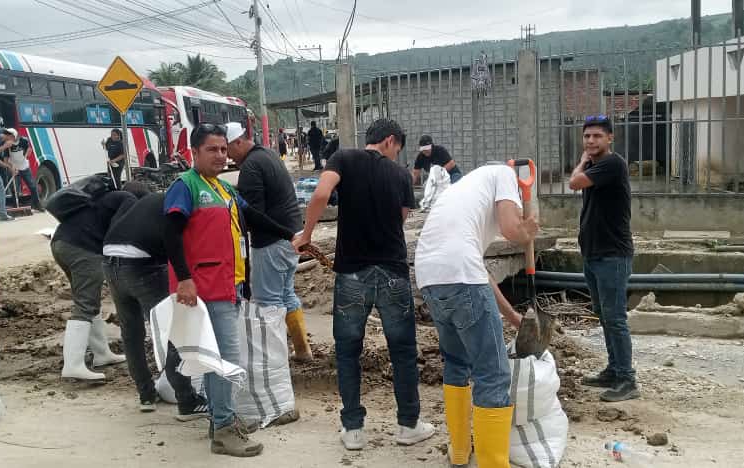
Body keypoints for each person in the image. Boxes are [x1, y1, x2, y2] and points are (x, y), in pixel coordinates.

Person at [293, 118, 436, 451]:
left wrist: (306, 236)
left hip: (352, 273)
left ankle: (354, 430)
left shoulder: (343, 158)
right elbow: (401, 219)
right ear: (389, 141)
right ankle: (409, 425)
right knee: (403, 351)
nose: (396, 155)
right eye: (397, 148)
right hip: (392, 271)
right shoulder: (400, 175)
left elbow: (321, 193)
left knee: (347, 352)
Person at [164, 123, 296, 457]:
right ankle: (224, 428)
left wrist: (290, 236)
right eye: (212, 149)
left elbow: (253, 218)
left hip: (228, 285)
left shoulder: (224, 189)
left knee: (216, 360)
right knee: (226, 360)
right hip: (205, 288)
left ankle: (220, 421)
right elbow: (170, 234)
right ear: (194, 152)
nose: (221, 156)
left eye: (224, 149)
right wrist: (184, 279)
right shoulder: (186, 186)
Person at [414, 165, 540, 467]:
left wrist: (513, 317)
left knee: (457, 363)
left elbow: (478, 273)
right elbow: (512, 230)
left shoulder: (465, 192)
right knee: (493, 374)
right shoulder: (505, 175)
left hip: (429, 276)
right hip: (460, 275)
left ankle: (459, 452)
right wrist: (528, 229)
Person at [101, 186, 209, 418]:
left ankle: (146, 395)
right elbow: (176, 242)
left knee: (131, 333)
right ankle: (187, 401)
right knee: (169, 331)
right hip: (142, 266)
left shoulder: (147, 203)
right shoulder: (178, 207)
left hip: (110, 262)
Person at [225, 122, 312, 363]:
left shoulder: (250, 167)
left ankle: (274, 360)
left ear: (238, 142)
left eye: (227, 149)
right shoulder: (268, 155)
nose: (227, 156)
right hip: (292, 234)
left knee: (267, 301)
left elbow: (254, 214)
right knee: (285, 294)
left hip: (272, 242)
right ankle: (302, 350)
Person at [568, 115, 637, 402]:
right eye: (587, 136)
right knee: (604, 315)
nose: (591, 141)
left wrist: (582, 161)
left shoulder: (612, 164)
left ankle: (627, 379)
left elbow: (573, 183)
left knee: (615, 318)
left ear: (610, 138)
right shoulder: (596, 167)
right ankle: (613, 370)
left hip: (612, 256)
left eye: (597, 136)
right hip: (594, 254)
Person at [49, 178, 134, 382]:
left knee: (88, 299)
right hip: (84, 249)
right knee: (85, 304)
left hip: (60, 243)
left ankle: (102, 353)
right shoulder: (128, 200)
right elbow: (122, 232)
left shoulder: (102, 199)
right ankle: (73, 365)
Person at [2, 130, 43, 212]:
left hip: (24, 167)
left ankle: (37, 204)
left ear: (14, 136)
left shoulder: (23, 140)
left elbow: (29, 149)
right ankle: (15, 206)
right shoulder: (7, 145)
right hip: (13, 168)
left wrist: (27, 154)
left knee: (32, 186)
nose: (8, 137)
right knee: (14, 189)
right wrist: (11, 168)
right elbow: (5, 160)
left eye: (9, 136)